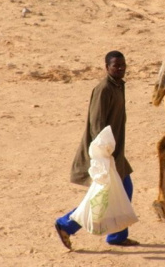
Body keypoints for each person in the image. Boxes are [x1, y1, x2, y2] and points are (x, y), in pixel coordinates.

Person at [55, 50, 139, 249]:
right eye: (115, 66)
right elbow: (96, 124)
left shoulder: (118, 86)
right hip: (105, 152)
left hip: (115, 152)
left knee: (123, 189)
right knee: (103, 195)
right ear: (107, 68)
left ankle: (117, 236)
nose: (120, 69)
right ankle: (66, 224)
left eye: (122, 65)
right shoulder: (104, 89)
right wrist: (104, 155)